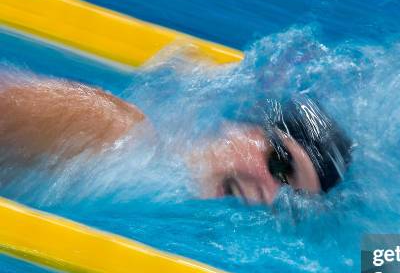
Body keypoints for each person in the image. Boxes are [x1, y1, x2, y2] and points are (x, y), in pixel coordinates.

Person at [0, 77, 352, 205]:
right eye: (280, 163)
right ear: (245, 128)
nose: (270, 194)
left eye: (292, 197)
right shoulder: (113, 128)